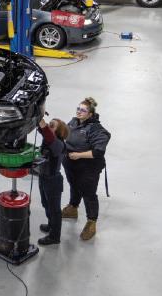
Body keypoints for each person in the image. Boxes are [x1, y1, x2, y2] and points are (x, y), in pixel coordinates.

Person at [61, 97, 111, 241]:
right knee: (74, 186)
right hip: (71, 164)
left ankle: (91, 222)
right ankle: (72, 208)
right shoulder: (74, 122)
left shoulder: (97, 130)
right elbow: (64, 134)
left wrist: (79, 155)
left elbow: (98, 152)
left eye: (83, 110)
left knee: (88, 194)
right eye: (78, 108)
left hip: (88, 168)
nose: (79, 112)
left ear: (90, 114)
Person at [37, 117, 69, 246]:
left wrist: (41, 118)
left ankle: (55, 237)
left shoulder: (58, 144)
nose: (49, 126)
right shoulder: (48, 141)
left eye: (52, 125)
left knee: (55, 210)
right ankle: (51, 225)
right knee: (46, 204)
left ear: (58, 132)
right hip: (43, 178)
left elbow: (46, 132)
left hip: (53, 181)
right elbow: (42, 129)